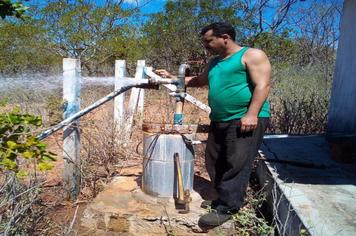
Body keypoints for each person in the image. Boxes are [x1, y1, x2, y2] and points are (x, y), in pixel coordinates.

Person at [156, 22, 271, 226]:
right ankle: (222, 198)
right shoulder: (215, 62)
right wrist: (174, 77)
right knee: (214, 159)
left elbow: (263, 84)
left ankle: (227, 207)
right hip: (220, 119)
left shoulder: (251, 55)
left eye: (209, 41)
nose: (206, 45)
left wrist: (252, 114)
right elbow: (199, 80)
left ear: (225, 37)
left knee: (236, 163)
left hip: (245, 118)